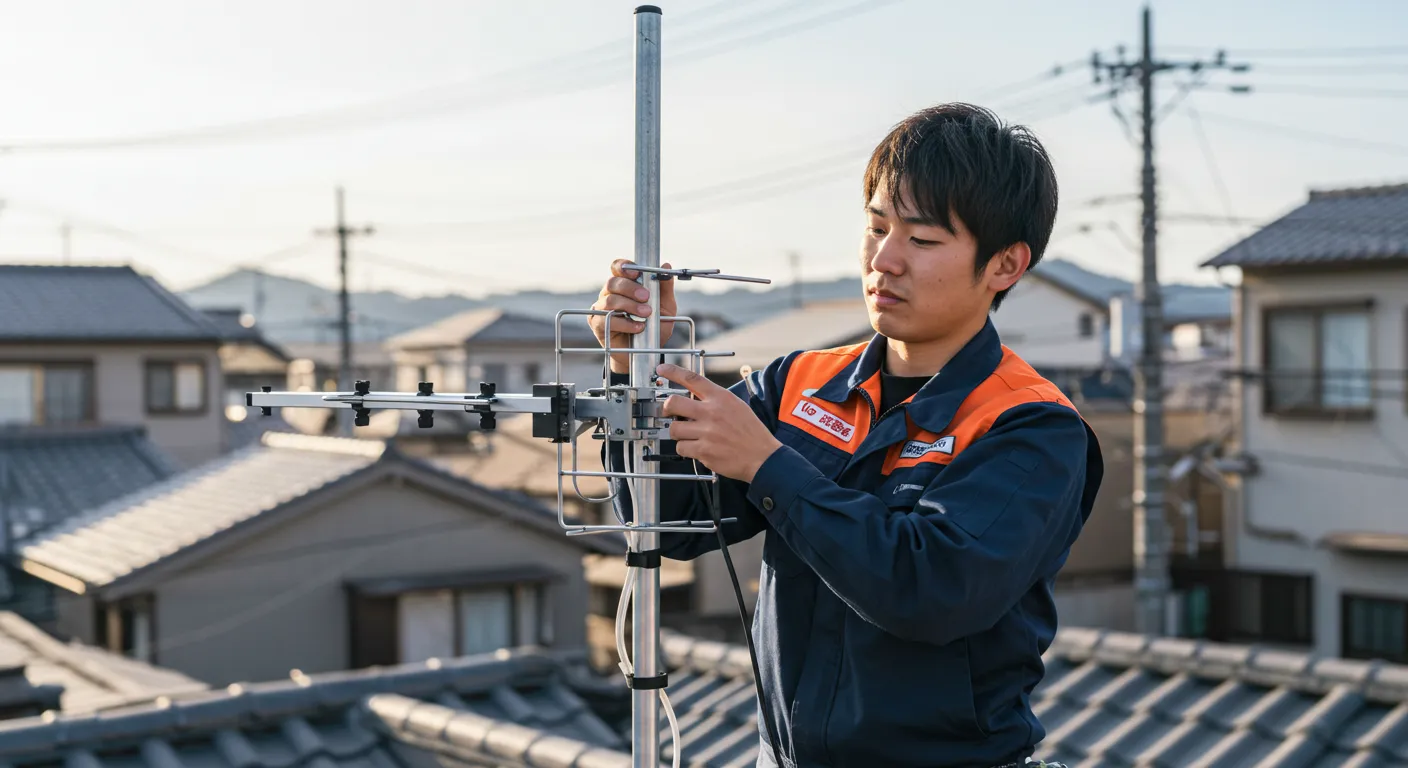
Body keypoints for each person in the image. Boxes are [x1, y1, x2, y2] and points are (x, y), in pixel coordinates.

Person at [590, 102, 1102, 768]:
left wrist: (769, 466)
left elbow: (929, 590)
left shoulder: (1030, 425)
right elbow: (670, 522)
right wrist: (634, 371)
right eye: (876, 226)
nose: (884, 260)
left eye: (921, 240)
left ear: (1004, 265)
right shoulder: (801, 381)